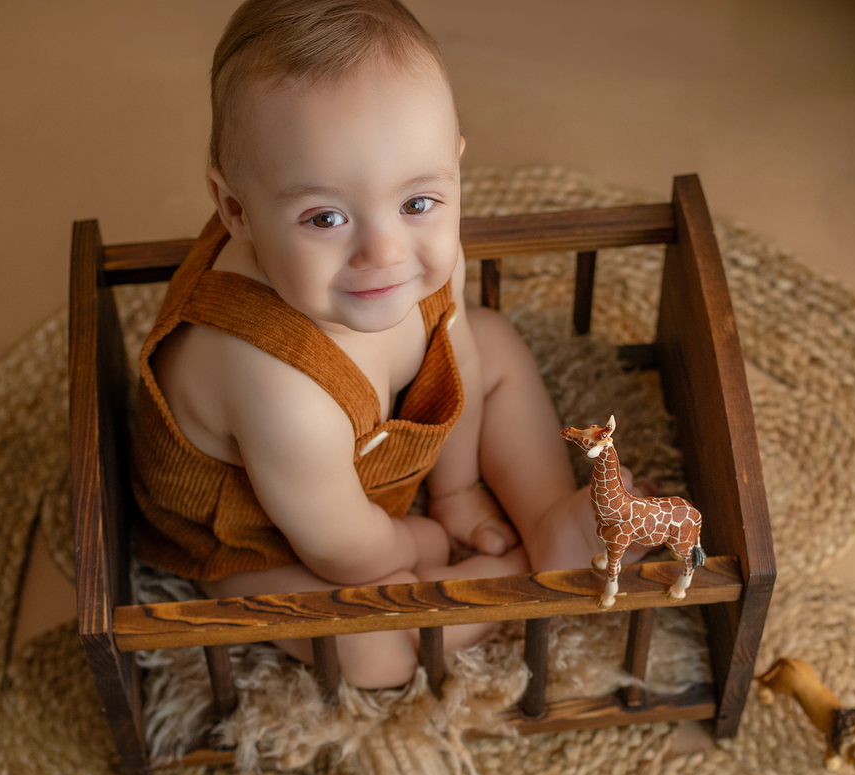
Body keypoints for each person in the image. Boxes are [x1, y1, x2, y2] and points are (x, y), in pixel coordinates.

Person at [132, 0, 640, 689]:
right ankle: (524, 572)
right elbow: (342, 547)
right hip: (257, 530)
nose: (384, 251)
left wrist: (455, 489)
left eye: (417, 203)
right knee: (373, 653)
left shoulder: (422, 260)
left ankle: (548, 516)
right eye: (326, 216)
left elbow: (452, 364)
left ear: (454, 166)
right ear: (236, 210)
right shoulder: (272, 383)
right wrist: (423, 541)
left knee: (492, 343)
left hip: (362, 459)